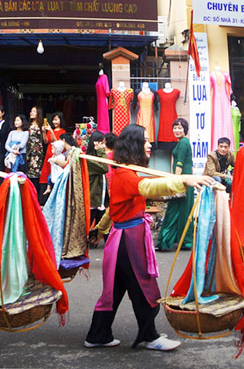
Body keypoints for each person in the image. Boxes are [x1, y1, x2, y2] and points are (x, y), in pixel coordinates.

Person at [84, 124, 214, 351]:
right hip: (128, 242)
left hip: (122, 240)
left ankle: (98, 335)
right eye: (145, 140)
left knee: (114, 291)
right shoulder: (125, 174)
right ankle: (150, 335)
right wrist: (184, 180)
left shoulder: (125, 170)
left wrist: (101, 229)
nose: (150, 144)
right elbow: (149, 187)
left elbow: (113, 208)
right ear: (134, 144)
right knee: (143, 287)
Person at [156, 119, 195, 252]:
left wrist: (175, 181)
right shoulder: (182, 142)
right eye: (175, 128)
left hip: (182, 181)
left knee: (174, 211)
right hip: (185, 181)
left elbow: (180, 163)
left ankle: (166, 242)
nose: (176, 130)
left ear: (185, 129)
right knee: (183, 211)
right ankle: (185, 241)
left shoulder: (183, 143)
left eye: (179, 128)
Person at [85, 132, 109, 236]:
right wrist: (101, 151)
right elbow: (104, 168)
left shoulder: (97, 157)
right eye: (102, 143)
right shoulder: (89, 159)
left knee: (104, 227)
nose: (104, 146)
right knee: (87, 227)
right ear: (95, 144)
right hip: (93, 199)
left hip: (100, 199)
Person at [27, 107, 48, 204]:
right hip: (28, 152)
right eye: (31, 111)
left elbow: (45, 141)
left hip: (37, 153)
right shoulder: (28, 125)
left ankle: (34, 197)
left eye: (34, 111)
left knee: (35, 174)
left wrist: (44, 131)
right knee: (28, 173)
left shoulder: (41, 125)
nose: (31, 113)